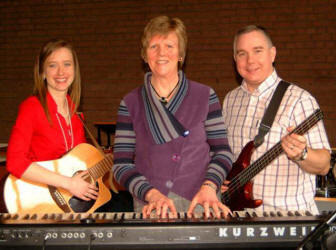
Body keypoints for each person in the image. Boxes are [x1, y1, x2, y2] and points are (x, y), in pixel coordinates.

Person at [113, 16, 233, 218]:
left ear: (180, 54)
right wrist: (150, 194)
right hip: (152, 206)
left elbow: (223, 152)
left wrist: (210, 185)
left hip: (202, 201)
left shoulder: (205, 95)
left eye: (169, 45)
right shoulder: (130, 103)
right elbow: (121, 165)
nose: (161, 53)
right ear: (145, 55)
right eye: (153, 46)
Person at [222, 25, 330, 214]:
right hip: (238, 217)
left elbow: (324, 165)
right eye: (242, 54)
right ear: (234, 59)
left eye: (258, 51)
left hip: (288, 220)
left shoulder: (299, 100)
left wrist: (302, 154)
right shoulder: (230, 100)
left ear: (272, 54)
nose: (250, 60)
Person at [6, 39, 98, 201]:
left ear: (75, 70)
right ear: (42, 72)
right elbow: (15, 161)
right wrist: (68, 183)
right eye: (52, 65)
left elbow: (77, 165)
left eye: (67, 64)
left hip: (67, 202)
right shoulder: (31, 107)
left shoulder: (76, 115)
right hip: (38, 199)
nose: (61, 72)